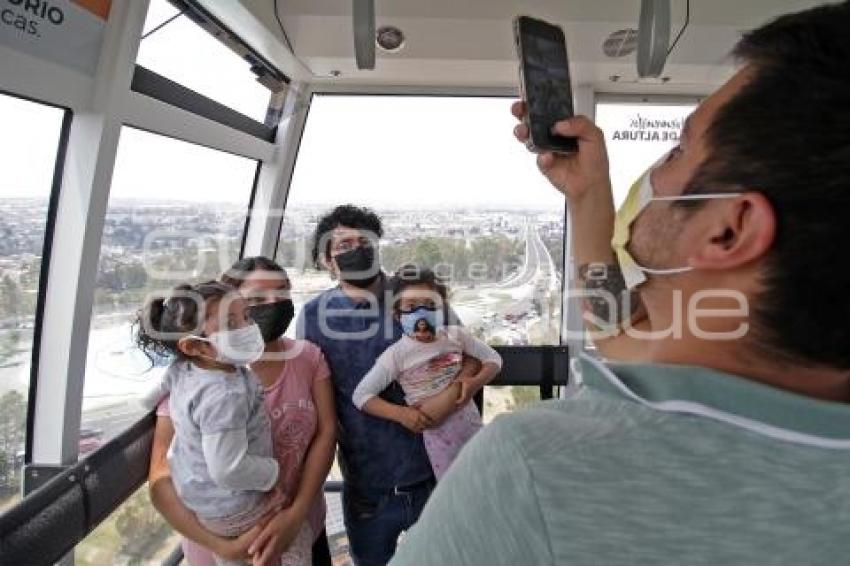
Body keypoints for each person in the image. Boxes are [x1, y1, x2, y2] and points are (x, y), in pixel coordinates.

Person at [392, 3, 850, 564]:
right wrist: (588, 195)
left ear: (730, 229)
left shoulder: (536, 470)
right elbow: (620, 331)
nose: (657, 169)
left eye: (680, 147)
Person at [298, 204, 484, 565]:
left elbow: (470, 357)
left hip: (438, 471)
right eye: (344, 244)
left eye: (364, 240)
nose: (357, 249)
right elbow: (314, 396)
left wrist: (451, 397)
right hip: (367, 485)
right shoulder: (313, 317)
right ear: (324, 260)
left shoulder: (417, 296)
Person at [148, 258, 336, 566]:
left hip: (303, 529)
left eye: (283, 292)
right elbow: (160, 478)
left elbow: (326, 434)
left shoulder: (307, 357)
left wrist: (295, 515)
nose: (274, 303)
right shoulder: (197, 378)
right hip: (221, 544)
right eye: (257, 298)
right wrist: (222, 547)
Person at [352, 265, 502, 479]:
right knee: (453, 492)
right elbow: (361, 395)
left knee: (487, 481)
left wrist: (474, 384)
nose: (421, 313)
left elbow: (493, 359)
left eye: (430, 305)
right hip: (439, 439)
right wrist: (401, 414)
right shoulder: (396, 355)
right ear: (397, 314)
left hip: (473, 428)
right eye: (411, 306)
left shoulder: (456, 336)